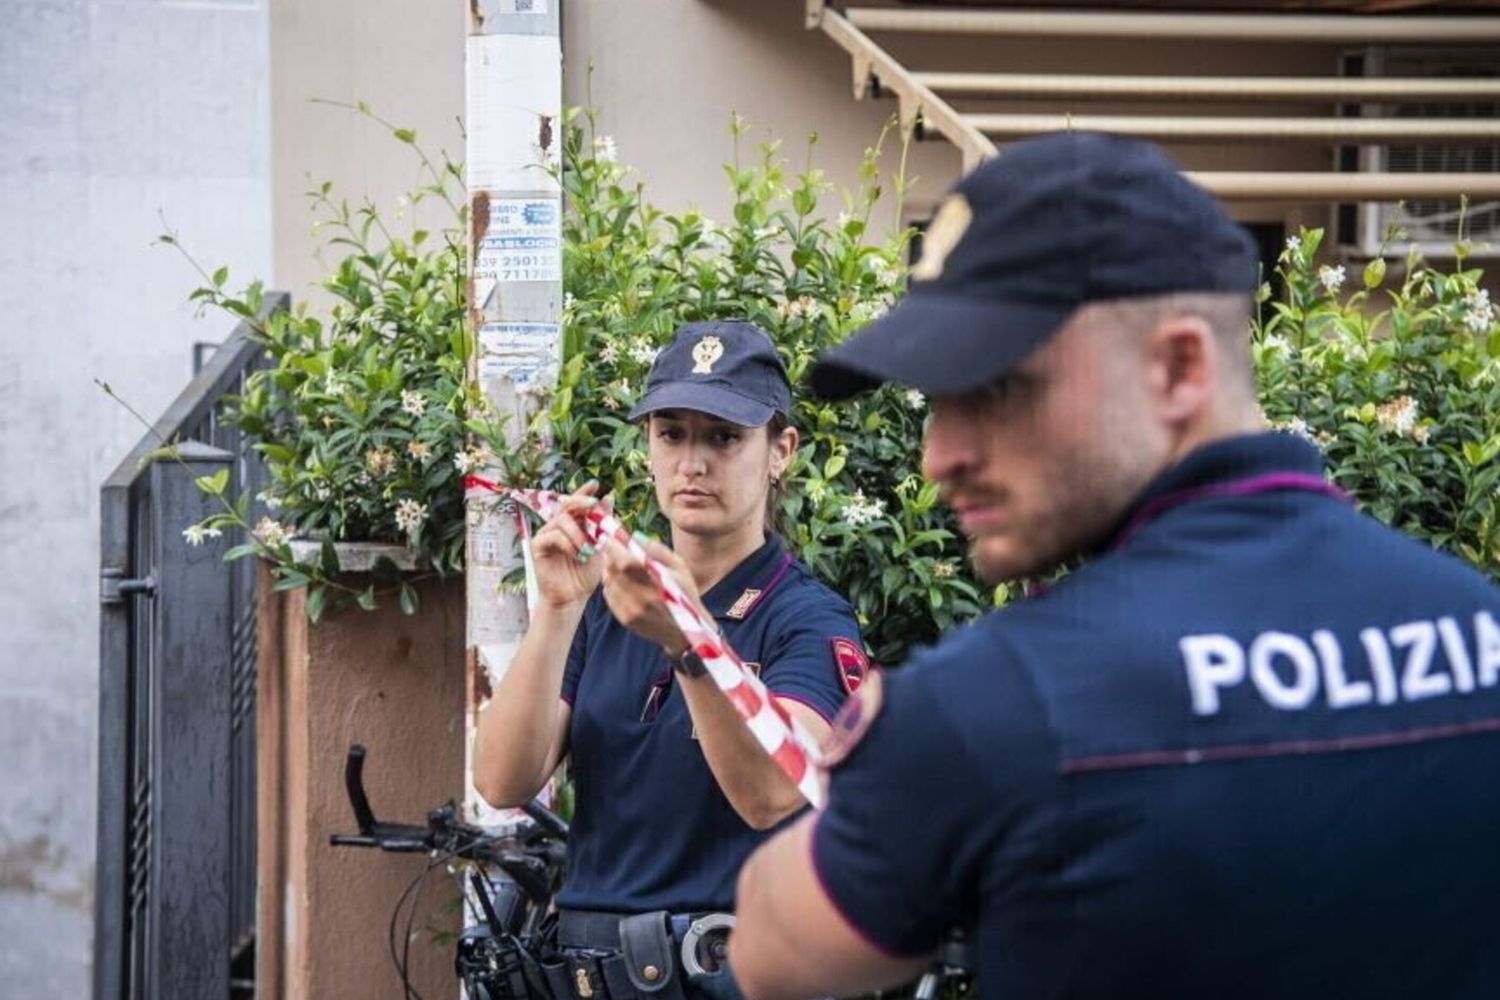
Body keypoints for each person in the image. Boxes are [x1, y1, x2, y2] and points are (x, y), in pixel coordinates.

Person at [726, 132, 1500, 1000]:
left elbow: (771, 953)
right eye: (937, 400)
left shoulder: (1003, 700)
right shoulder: (1479, 628)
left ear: (1177, 367)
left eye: (997, 387)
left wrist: (901, 776)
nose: (939, 454)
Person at [473, 320, 868, 1000]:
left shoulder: (808, 619)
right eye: (672, 433)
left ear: (782, 451)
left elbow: (774, 796)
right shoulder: (609, 606)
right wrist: (559, 609)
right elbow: (502, 779)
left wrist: (690, 646)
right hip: (587, 975)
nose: (694, 462)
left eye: (725, 437)